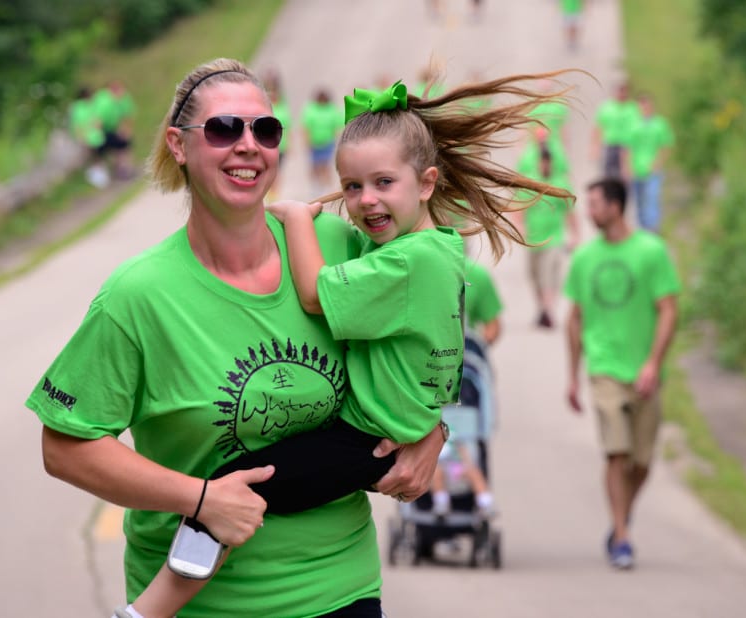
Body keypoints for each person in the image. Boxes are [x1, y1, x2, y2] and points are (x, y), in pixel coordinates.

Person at [104, 68, 581, 617]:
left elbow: (312, 294)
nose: (364, 202)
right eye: (353, 186)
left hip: (362, 443)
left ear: (426, 184)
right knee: (225, 494)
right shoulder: (420, 251)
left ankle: (146, 613)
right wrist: (430, 423)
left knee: (226, 492)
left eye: (383, 184)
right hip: (378, 432)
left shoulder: (398, 259)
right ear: (178, 144)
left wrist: (295, 217)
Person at [27, 58, 449, 618]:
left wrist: (433, 430)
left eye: (265, 130)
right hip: (204, 607)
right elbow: (65, 448)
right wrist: (200, 498)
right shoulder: (138, 296)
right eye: (225, 129)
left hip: (338, 591)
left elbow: (433, 317)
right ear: (179, 146)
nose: (249, 145)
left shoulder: (338, 243)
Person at [563, 177, 680, 571]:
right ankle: (622, 537)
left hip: (644, 371)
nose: (588, 211)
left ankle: (620, 517)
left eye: (594, 203)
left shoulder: (651, 251)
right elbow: (574, 319)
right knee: (616, 451)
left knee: (642, 462)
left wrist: (652, 362)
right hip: (605, 369)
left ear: (615, 206)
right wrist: (572, 376)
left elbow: (668, 308)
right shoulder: (583, 258)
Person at [516, 139, 579, 329]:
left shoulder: (560, 185)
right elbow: (518, 210)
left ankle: (549, 310)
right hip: (534, 239)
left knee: (550, 276)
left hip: (554, 238)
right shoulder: (530, 183)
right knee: (535, 276)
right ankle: (543, 308)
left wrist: (575, 235)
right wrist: (520, 229)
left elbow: (570, 213)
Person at [622, 92, 675, 232]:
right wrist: (627, 168)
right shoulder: (632, 125)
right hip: (637, 168)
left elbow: (666, 145)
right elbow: (627, 148)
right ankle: (643, 228)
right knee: (639, 201)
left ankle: (653, 229)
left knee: (652, 198)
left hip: (653, 169)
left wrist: (658, 162)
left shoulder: (660, 124)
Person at [591, 81, 641, 180]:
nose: (622, 94)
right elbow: (599, 127)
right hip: (610, 143)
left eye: (624, 91)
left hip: (627, 145)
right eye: (620, 91)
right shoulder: (607, 107)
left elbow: (639, 128)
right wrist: (595, 146)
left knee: (624, 175)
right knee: (607, 173)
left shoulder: (633, 108)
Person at [301, 87, 344, 194]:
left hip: (327, 143)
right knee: (315, 166)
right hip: (314, 143)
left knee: (325, 166)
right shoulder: (311, 109)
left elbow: (337, 127)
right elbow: (306, 127)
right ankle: (316, 188)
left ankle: (326, 187)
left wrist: (336, 141)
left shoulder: (332, 109)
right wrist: (307, 142)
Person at [93, 79, 137, 180]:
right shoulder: (105, 103)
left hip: (111, 129)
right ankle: (116, 170)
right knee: (111, 146)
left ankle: (122, 169)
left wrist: (125, 129)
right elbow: (97, 122)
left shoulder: (122, 99)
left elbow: (126, 115)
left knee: (123, 143)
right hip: (101, 131)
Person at [68, 86, 109, 188]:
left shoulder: (92, 105)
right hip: (87, 136)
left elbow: (98, 121)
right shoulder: (78, 107)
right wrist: (81, 136)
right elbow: (77, 123)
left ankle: (99, 173)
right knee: (92, 154)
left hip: (95, 135)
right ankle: (96, 174)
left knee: (97, 154)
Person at [262, 68, 291, 200]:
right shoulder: (263, 101)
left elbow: (288, 124)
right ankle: (269, 194)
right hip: (267, 143)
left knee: (277, 171)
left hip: (281, 144)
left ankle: (273, 196)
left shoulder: (281, 102)